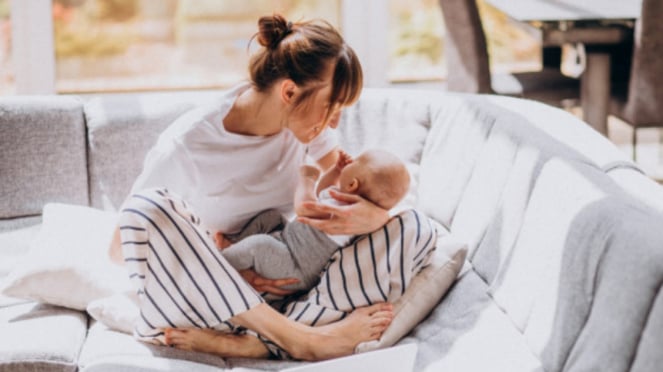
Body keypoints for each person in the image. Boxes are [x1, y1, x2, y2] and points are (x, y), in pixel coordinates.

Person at [108, 14, 394, 361]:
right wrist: (224, 272)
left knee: (413, 225)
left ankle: (261, 340)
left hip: (280, 276)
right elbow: (120, 249)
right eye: (330, 106)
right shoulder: (188, 145)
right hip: (201, 290)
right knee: (149, 206)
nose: (335, 121)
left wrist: (372, 215)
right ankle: (301, 338)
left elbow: (353, 186)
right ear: (289, 91)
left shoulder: (306, 127)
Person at [217, 149, 411, 292]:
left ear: (352, 184)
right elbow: (321, 192)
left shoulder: (348, 213)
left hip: (294, 267)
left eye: (355, 161)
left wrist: (306, 179)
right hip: (287, 241)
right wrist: (336, 170)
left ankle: (219, 262)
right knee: (271, 217)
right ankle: (236, 247)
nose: (351, 159)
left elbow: (305, 207)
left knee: (259, 245)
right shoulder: (343, 200)